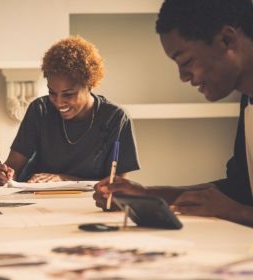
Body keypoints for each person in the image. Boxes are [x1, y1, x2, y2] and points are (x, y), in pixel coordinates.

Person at [94, 0, 253, 227]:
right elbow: (239, 190)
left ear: (226, 39)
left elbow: (235, 204)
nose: (183, 77)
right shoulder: (247, 98)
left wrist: (236, 212)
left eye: (186, 61)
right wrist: (146, 195)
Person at [0, 36, 139, 185]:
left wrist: (65, 179)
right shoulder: (40, 110)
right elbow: (13, 169)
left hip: (90, 204)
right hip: (35, 199)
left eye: (68, 94)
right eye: (52, 92)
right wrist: (2, 176)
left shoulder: (115, 118)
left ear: (89, 85)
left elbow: (117, 185)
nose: (59, 102)